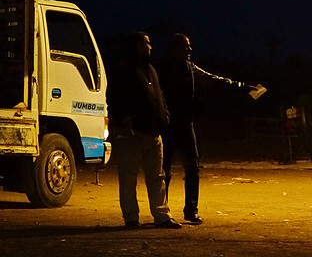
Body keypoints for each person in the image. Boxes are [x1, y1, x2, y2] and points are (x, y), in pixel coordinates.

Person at [156, 33, 255, 224]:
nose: (190, 50)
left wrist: (243, 86)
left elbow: (216, 80)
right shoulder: (162, 69)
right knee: (164, 170)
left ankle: (191, 211)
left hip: (185, 124)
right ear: (175, 49)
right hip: (167, 125)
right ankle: (162, 212)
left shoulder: (190, 68)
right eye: (186, 46)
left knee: (192, 168)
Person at [106, 32, 182, 229]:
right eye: (147, 43)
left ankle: (162, 216)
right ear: (138, 46)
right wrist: (124, 119)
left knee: (157, 177)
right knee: (128, 179)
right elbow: (113, 98)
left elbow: (159, 95)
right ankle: (131, 218)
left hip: (154, 133)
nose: (151, 47)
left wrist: (164, 114)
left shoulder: (150, 70)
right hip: (132, 134)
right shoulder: (123, 70)